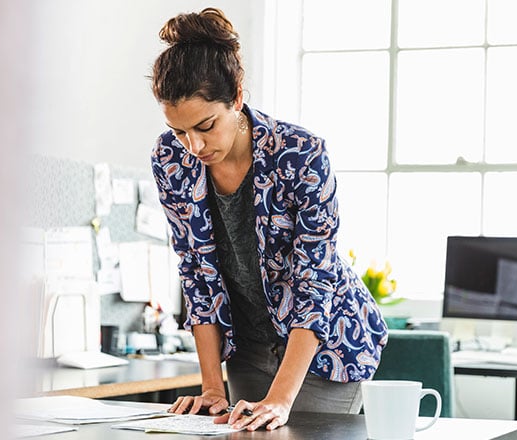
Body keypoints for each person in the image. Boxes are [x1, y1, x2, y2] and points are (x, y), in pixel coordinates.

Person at [149, 7, 388, 432]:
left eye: (206, 126)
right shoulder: (170, 160)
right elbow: (196, 275)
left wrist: (280, 398)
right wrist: (211, 388)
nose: (194, 145)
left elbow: (316, 279)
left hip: (323, 349)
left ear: (237, 96)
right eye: (180, 131)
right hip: (246, 347)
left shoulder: (300, 154)